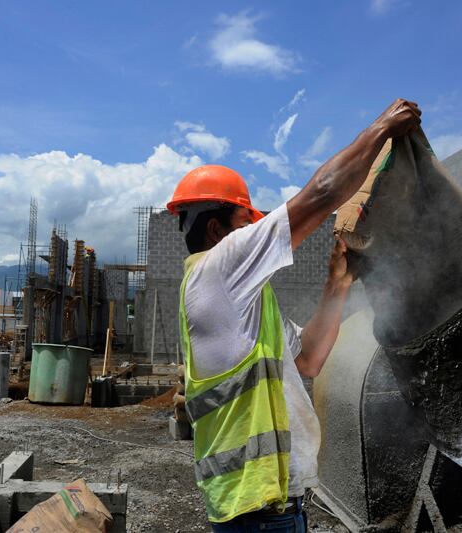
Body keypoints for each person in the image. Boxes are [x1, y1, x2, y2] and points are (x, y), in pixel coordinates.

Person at [167, 98, 422, 532]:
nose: (253, 233)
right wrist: (380, 129)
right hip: (256, 513)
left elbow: (308, 360)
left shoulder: (243, 303)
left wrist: (337, 283)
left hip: (277, 505)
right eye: (246, 223)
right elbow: (322, 195)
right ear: (216, 230)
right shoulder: (217, 270)